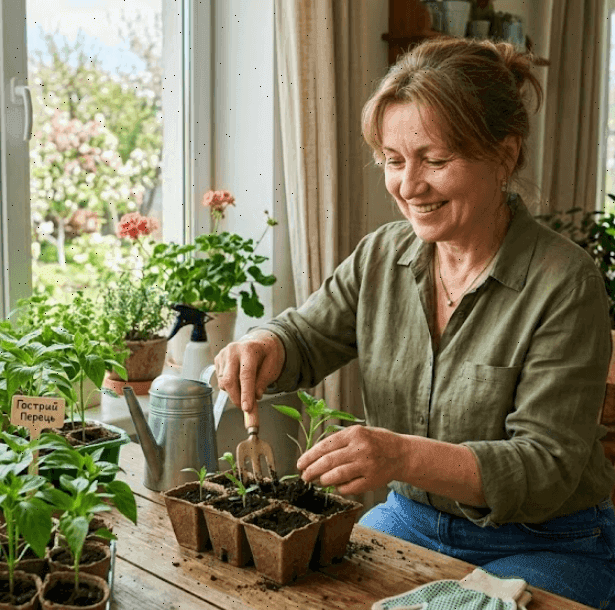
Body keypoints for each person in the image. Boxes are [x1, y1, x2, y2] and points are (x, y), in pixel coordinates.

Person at [214, 37, 615, 608]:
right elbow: (305, 336)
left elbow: (545, 466)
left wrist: (401, 456)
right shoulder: (381, 255)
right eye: (394, 161)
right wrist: (262, 344)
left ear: (504, 155)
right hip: (412, 519)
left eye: (435, 161)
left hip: (550, 541)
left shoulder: (566, 281)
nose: (408, 186)